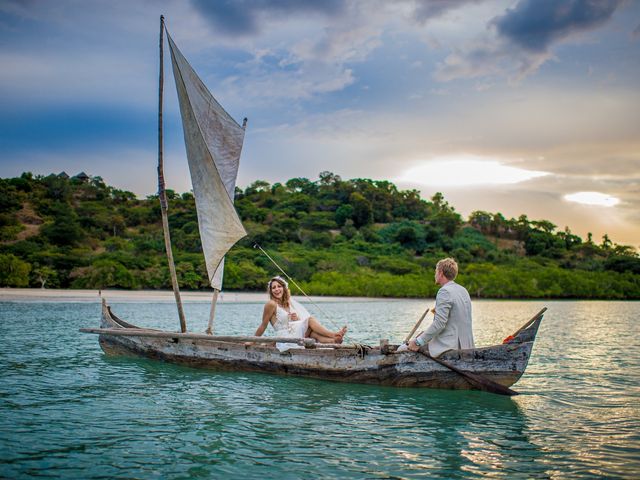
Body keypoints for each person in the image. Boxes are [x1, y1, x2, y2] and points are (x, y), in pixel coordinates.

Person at [254, 276, 347, 352]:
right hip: (285, 339)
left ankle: (333, 341)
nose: (277, 289)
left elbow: (293, 323)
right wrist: (252, 341)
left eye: (279, 286)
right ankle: (333, 335)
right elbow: (263, 325)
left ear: (283, 288)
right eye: (273, 287)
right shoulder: (271, 304)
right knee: (310, 320)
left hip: (294, 334)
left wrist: (296, 319)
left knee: (313, 333)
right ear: (271, 291)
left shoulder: (287, 304)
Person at [407, 258, 474, 357]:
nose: (435, 274)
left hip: (449, 346)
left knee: (403, 348)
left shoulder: (444, 291)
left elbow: (439, 323)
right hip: (468, 346)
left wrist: (418, 342)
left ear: (441, 273)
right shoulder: (463, 290)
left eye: (435, 271)